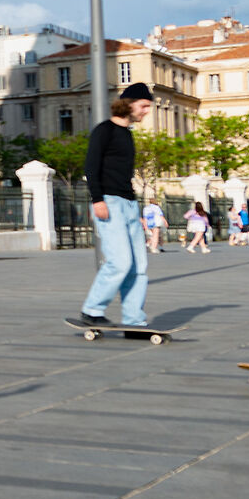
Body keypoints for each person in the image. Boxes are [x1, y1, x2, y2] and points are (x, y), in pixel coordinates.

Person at [77, 83, 155, 329]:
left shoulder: (128, 134)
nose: (146, 111)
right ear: (128, 104)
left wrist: (136, 211)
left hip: (129, 204)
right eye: (143, 106)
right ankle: (92, 310)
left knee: (139, 266)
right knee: (120, 262)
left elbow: (124, 174)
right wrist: (97, 200)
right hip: (109, 202)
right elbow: (91, 167)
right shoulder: (105, 130)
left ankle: (133, 319)